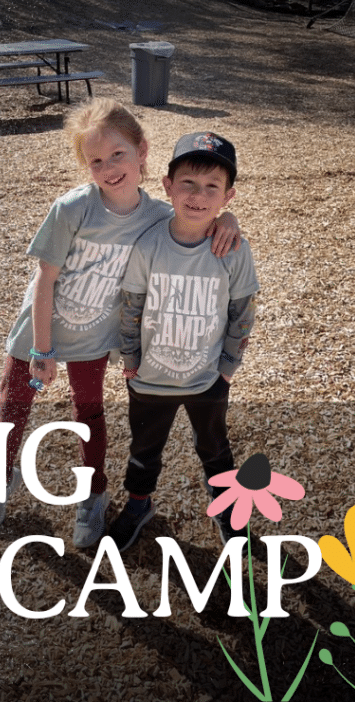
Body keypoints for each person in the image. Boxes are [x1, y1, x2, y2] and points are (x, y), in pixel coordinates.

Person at [0, 100, 241, 548]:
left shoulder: (159, 216)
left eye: (118, 154)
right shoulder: (74, 207)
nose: (109, 167)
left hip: (94, 339)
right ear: (87, 167)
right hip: (38, 333)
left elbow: (200, 218)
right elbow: (45, 278)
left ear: (142, 151)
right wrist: (41, 349)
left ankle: (93, 496)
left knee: (89, 414)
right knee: (12, 411)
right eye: (96, 160)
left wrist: (228, 218)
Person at [112, 131, 258, 552]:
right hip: (150, 377)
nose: (198, 195)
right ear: (167, 186)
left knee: (215, 449)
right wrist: (130, 358)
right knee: (144, 450)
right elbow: (132, 305)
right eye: (188, 184)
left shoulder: (233, 250)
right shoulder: (149, 245)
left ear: (228, 196)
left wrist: (228, 366)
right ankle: (139, 504)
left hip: (207, 377)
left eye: (212, 186)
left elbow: (242, 310)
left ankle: (228, 506)